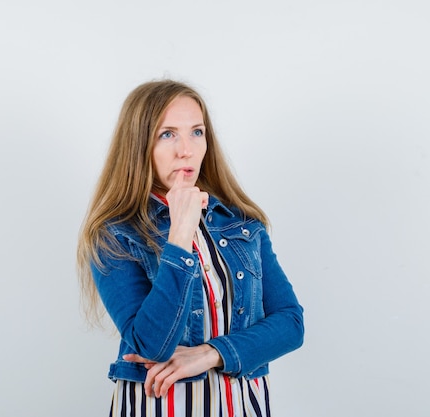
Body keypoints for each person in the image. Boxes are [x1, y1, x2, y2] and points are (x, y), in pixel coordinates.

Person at [77, 80, 304, 417]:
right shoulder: (115, 234)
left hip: (242, 405)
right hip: (161, 407)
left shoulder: (240, 223)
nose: (186, 149)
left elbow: (290, 324)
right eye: (167, 134)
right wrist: (180, 236)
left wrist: (212, 352)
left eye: (196, 132)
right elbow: (152, 345)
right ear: (139, 146)